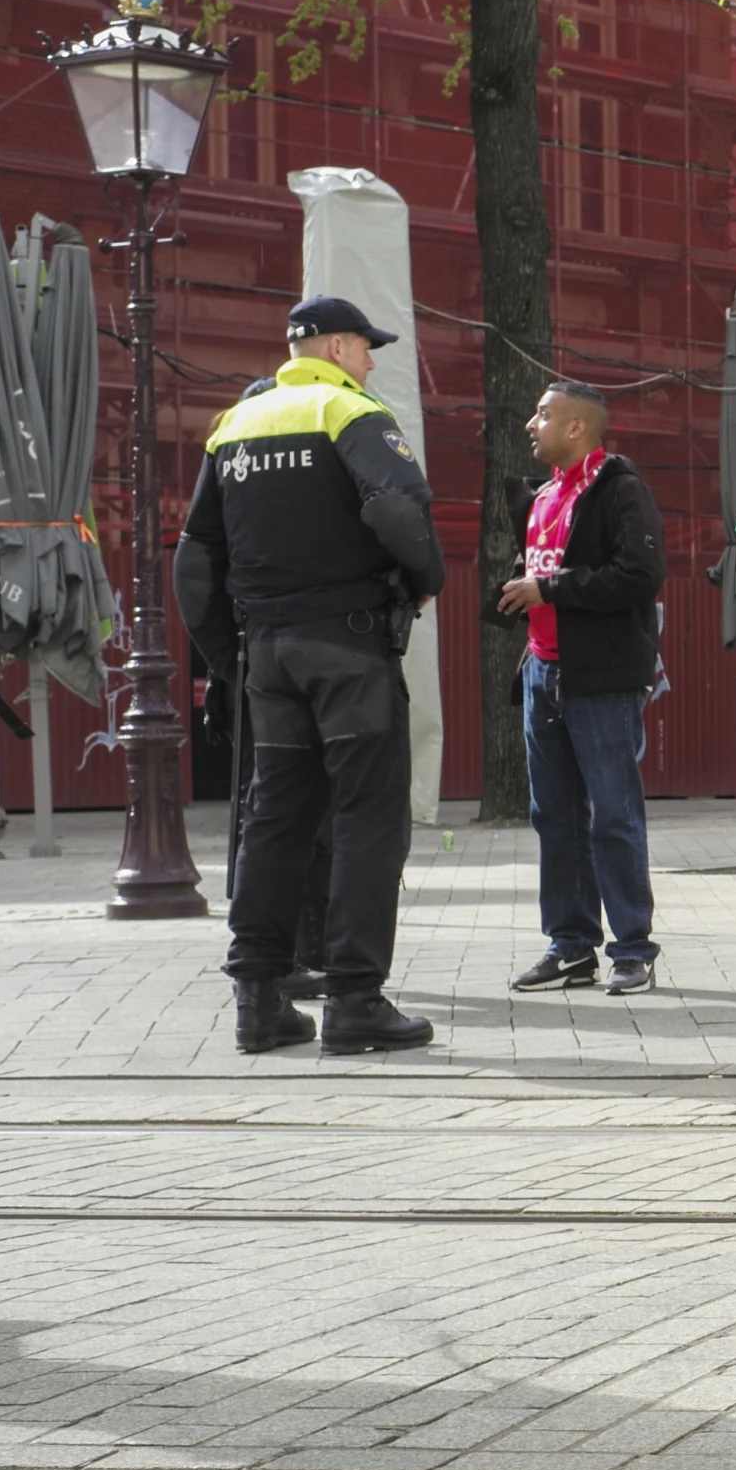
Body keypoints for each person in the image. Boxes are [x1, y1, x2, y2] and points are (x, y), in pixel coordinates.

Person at [175, 294, 445, 1056]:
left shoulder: (235, 425)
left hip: (268, 654)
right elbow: (397, 508)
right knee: (366, 815)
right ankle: (356, 1000)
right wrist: (428, 574)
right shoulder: (347, 411)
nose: (370, 361)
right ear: (332, 347)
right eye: (365, 347)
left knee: (275, 818)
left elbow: (193, 562)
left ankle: (259, 1003)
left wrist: (226, 651)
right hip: (348, 649)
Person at [496, 381, 664, 997]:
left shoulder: (620, 489)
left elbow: (640, 574)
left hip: (601, 678)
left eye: (542, 414)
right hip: (542, 671)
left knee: (613, 815)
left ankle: (632, 950)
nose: (530, 424)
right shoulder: (542, 496)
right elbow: (543, 572)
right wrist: (521, 587)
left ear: (576, 429)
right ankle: (570, 947)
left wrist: (551, 589)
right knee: (553, 816)